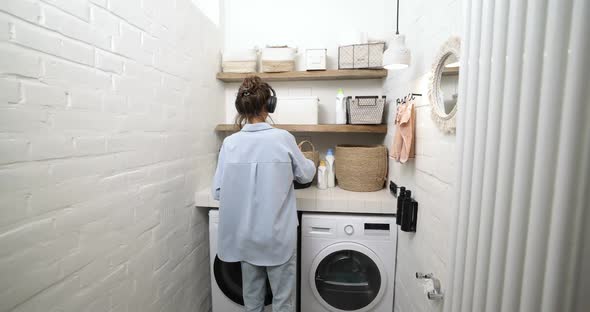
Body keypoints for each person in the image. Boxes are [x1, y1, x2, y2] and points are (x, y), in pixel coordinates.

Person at [212, 76, 316, 312]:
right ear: (269, 105)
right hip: (278, 238)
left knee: (252, 301)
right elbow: (306, 176)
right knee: (283, 302)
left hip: (246, 238)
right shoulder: (284, 139)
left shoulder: (230, 144)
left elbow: (218, 191)